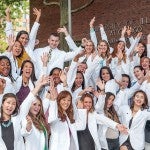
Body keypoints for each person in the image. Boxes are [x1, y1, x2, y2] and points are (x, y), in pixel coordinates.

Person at [0, 75, 49, 150]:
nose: (10, 106)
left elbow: (29, 100)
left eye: (13, 104)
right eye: (8, 103)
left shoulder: (17, 118)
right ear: (2, 104)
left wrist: (39, 85)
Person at [47, 80, 87, 150]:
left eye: (69, 100)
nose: (66, 102)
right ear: (59, 100)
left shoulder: (68, 117)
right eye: (64, 100)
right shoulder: (55, 114)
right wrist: (53, 100)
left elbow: (81, 126)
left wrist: (81, 110)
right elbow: (51, 119)